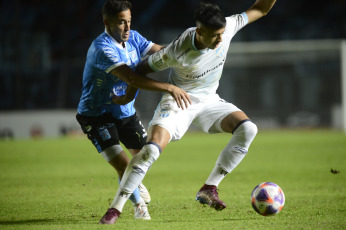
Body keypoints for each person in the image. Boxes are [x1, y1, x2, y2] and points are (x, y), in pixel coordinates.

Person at [98, 0, 277, 224]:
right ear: (200, 32)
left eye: (222, 34)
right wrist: (128, 96)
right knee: (150, 151)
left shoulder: (227, 27)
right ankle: (116, 208)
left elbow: (260, 8)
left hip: (209, 100)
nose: (221, 39)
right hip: (178, 101)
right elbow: (141, 69)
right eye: (215, 35)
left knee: (248, 129)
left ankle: (209, 188)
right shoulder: (178, 50)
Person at [76, 0, 191, 222]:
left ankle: (134, 184)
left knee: (144, 159)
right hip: (95, 115)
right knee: (124, 166)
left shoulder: (134, 38)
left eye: (129, 21)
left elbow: (162, 53)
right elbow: (131, 78)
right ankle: (140, 208)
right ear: (107, 22)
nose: (127, 28)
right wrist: (168, 87)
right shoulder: (103, 48)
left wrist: (186, 51)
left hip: (125, 113)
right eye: (121, 22)